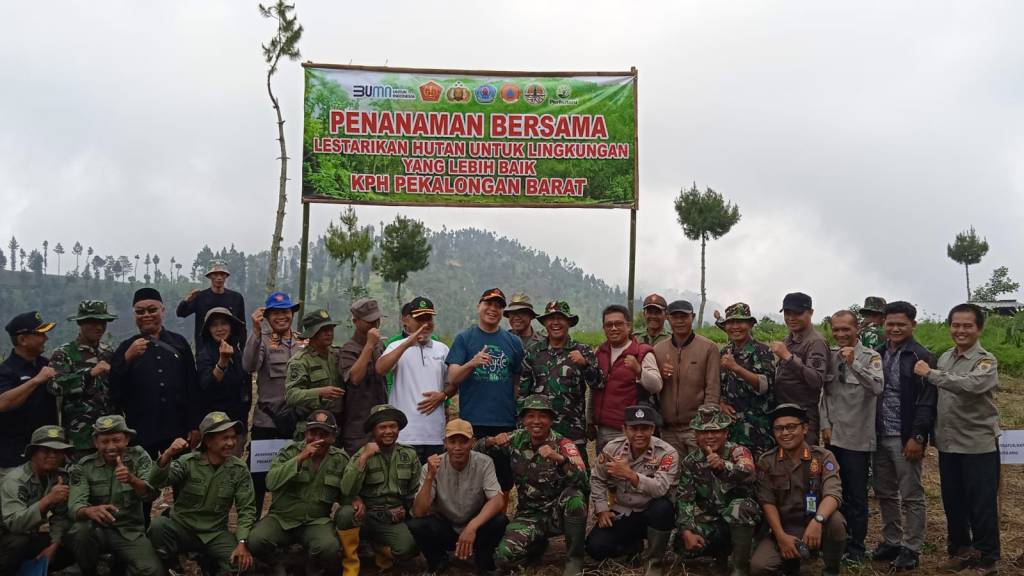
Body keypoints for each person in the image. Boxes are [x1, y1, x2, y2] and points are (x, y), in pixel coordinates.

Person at [916, 303, 1000, 575]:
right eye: (956, 325)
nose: (960, 330)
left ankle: (987, 559)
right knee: (954, 502)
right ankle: (961, 550)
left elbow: (972, 385)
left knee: (981, 504)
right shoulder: (945, 357)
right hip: (948, 444)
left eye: (967, 326)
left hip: (977, 445)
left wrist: (931, 374)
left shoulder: (986, 361)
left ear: (979, 329)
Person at [478, 395, 589, 576]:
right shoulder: (515, 439)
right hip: (529, 514)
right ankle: (536, 546)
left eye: (543, 416)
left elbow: (584, 482)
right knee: (503, 557)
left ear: (551, 420)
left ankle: (574, 558)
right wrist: (491, 441)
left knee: (575, 497)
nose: (536, 421)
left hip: (557, 512)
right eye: (530, 416)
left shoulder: (564, 444)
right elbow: (473, 450)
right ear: (523, 420)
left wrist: (560, 459)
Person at [870, 301, 936, 571]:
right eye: (890, 324)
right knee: (885, 492)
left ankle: (912, 547)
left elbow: (926, 401)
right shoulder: (878, 352)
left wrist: (917, 436)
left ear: (913, 325)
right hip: (879, 434)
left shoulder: (921, 356)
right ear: (883, 324)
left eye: (901, 324)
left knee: (911, 495)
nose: (895, 329)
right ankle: (892, 540)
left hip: (904, 435)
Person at [149, 411, 257, 575]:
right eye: (224, 438)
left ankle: (208, 563)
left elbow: (246, 509)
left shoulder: (239, 469)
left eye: (233, 437)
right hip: (183, 527)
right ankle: (171, 565)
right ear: (208, 441)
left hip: (214, 533)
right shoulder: (188, 462)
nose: (231, 443)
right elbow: (157, 482)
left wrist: (242, 542)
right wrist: (168, 454)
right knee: (159, 526)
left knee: (241, 565)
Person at [248, 410, 355, 575]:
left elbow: (345, 493)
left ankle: (311, 563)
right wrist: (300, 458)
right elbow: (271, 482)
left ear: (333, 438)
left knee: (328, 547)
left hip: (316, 522)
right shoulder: (290, 451)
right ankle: (277, 562)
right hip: (282, 519)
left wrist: (356, 499)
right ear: (305, 434)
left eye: (324, 434)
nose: (317, 439)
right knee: (256, 540)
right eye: (313, 433)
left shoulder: (340, 459)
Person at [818, 310, 883, 564]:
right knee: (835, 491)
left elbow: (877, 387)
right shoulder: (831, 356)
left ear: (857, 329)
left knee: (857, 496)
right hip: (833, 438)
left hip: (857, 439)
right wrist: (825, 424)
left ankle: (856, 548)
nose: (841, 334)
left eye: (846, 329)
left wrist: (854, 363)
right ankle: (837, 542)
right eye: (836, 329)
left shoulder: (871, 356)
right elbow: (824, 395)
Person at [445, 288, 525, 492]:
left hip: (504, 422)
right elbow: (453, 377)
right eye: (488, 304)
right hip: (473, 423)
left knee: (503, 482)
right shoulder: (465, 339)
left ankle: (499, 513)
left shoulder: (513, 342)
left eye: (498, 306)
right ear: (478, 306)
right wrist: (472, 363)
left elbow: (517, 379)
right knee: (472, 481)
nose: (493, 309)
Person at [751, 404, 845, 576]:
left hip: (816, 523)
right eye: (779, 428)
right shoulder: (767, 462)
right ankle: (790, 562)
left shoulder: (823, 457)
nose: (785, 433)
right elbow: (767, 502)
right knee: (760, 567)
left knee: (836, 522)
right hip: (783, 527)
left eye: (791, 427)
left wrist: (818, 521)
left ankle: (830, 570)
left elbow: (833, 494)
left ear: (805, 428)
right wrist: (781, 537)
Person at [408, 418, 508, 575]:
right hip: (446, 527)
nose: (458, 447)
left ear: (473, 443)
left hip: (474, 527)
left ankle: (483, 561)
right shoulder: (430, 466)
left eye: (464, 442)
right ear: (445, 443)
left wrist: (472, 527)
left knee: (500, 520)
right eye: (452, 442)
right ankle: (438, 561)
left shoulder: (484, 462)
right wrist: (430, 477)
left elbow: (497, 500)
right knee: (417, 525)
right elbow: (419, 512)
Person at [587, 405, 678, 576]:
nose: (639, 434)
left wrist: (629, 474)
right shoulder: (612, 449)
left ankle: (654, 562)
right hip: (624, 511)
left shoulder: (666, 453)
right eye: (634, 429)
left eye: (644, 428)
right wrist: (601, 509)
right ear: (624, 429)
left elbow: (660, 488)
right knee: (595, 548)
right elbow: (597, 479)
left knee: (663, 507)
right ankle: (631, 546)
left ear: (652, 429)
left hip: (651, 513)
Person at [68, 415, 162, 576]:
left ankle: (120, 564)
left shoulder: (139, 457)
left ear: (127, 439)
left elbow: (151, 494)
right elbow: (74, 507)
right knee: (80, 531)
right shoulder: (85, 466)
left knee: (153, 571)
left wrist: (132, 480)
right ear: (96, 443)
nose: (111, 447)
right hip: (97, 529)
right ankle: (89, 570)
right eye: (104, 441)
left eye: (116, 440)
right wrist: (89, 511)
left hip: (129, 532)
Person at [109, 288, 196, 457]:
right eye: (140, 312)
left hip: (177, 428)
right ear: (134, 315)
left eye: (152, 310)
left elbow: (191, 385)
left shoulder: (179, 343)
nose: (146, 315)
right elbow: (114, 390)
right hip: (140, 431)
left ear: (163, 311)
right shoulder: (126, 347)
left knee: (181, 471)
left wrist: (194, 425)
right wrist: (127, 358)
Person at [675, 406, 759, 576]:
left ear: (726, 433)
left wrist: (723, 466)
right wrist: (686, 531)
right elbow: (684, 499)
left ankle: (740, 568)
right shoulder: (690, 462)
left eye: (715, 431)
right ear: (696, 435)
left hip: (745, 519)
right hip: (713, 519)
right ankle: (720, 557)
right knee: (681, 543)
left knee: (739, 508)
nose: (709, 436)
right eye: (703, 432)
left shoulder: (738, 451)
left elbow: (748, 471)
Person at [520, 300, 603, 464]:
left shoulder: (583, 350)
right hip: (539, 430)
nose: (555, 322)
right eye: (551, 318)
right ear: (545, 323)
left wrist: (585, 365)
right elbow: (523, 392)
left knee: (576, 472)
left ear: (569, 322)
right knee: (541, 472)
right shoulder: (533, 352)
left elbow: (598, 384)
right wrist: (522, 425)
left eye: (561, 318)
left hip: (572, 430)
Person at [243, 290, 304, 511]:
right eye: (275, 313)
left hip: (296, 423)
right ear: (267, 317)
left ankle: (283, 523)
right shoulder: (263, 341)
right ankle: (251, 526)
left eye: (285, 311)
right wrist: (255, 331)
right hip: (267, 422)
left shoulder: (303, 341)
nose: (281, 316)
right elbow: (249, 365)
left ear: (292, 314)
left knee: (292, 477)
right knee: (258, 480)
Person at [338, 404, 421, 566]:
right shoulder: (362, 454)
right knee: (345, 514)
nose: (388, 431)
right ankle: (351, 561)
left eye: (393, 426)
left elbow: (414, 490)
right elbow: (346, 489)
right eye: (382, 427)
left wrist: (407, 513)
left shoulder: (409, 454)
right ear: (373, 430)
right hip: (365, 515)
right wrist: (364, 458)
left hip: (391, 518)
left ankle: (379, 548)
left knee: (407, 548)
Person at [376, 296, 449, 464]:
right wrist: (408, 343)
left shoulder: (442, 349)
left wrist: (443, 395)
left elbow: (451, 383)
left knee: (432, 478)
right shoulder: (396, 346)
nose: (425, 324)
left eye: (428, 319)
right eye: (420, 319)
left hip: (435, 435)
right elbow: (380, 369)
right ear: (407, 321)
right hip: (404, 434)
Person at [0, 425, 74, 573]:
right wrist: (48, 499)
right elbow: (14, 524)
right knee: (18, 542)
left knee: (71, 541)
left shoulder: (58, 477)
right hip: (6, 535)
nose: (53, 455)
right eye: (46, 451)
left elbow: (61, 516)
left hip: (29, 534)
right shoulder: (15, 479)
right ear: (33, 454)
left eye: (58, 451)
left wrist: (54, 546)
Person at [48, 300, 117, 458]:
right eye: (92, 322)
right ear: (80, 323)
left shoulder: (108, 352)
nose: (98, 327)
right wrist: (89, 374)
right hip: (80, 438)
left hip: (109, 436)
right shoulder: (64, 353)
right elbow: (55, 386)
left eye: (102, 322)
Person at [653, 299, 721, 455]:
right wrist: (661, 375)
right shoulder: (658, 349)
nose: (679, 321)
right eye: (675, 317)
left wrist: (706, 428)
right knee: (672, 469)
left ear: (693, 317)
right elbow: (652, 387)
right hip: (668, 431)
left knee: (700, 468)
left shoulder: (708, 348)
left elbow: (712, 389)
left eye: (684, 316)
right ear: (668, 318)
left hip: (696, 429)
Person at [591, 304, 662, 453]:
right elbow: (594, 389)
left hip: (630, 431)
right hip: (603, 429)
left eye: (618, 324)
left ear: (628, 326)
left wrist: (639, 370)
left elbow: (656, 386)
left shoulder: (641, 352)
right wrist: (589, 421)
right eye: (609, 325)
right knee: (604, 467)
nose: (613, 328)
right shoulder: (599, 352)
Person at [0, 311, 58, 480]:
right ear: (22, 340)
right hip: (14, 458)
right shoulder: (6, 371)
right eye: (40, 334)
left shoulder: (46, 364)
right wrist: (36, 380)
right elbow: (3, 403)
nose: (45, 338)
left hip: (47, 454)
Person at [715, 303, 776, 457]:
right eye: (731, 322)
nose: (735, 327)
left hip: (758, 432)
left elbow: (765, 386)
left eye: (740, 322)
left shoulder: (762, 351)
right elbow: (719, 385)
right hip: (731, 430)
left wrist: (736, 367)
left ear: (750, 325)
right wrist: (721, 403)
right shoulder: (724, 352)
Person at [771, 292, 831, 445]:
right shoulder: (789, 339)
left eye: (797, 313)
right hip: (783, 413)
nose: (791, 318)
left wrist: (787, 357)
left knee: (805, 457)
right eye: (787, 313)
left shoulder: (815, 342)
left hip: (803, 417)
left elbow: (816, 380)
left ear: (810, 313)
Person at [284, 309, 344, 439]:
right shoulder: (300, 361)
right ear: (312, 333)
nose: (329, 333)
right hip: (312, 429)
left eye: (331, 329)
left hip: (335, 427)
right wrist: (320, 393)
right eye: (323, 330)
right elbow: (291, 395)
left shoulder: (337, 355)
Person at [339, 298, 387, 454]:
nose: (374, 325)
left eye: (377, 320)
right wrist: (369, 345)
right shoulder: (349, 349)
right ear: (356, 321)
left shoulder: (380, 345)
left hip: (381, 424)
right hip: (358, 429)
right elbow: (355, 378)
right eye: (369, 322)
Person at [195, 307, 251, 441]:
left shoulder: (238, 352)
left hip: (238, 423)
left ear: (231, 327)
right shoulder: (205, 354)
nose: (219, 329)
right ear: (208, 330)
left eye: (224, 323)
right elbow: (207, 385)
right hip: (216, 427)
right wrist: (222, 362)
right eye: (214, 325)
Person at [176, 259, 246, 344]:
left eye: (222, 274)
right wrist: (186, 301)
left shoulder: (236, 298)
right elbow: (181, 313)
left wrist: (243, 349)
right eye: (215, 274)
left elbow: (242, 326)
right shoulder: (200, 297)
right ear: (209, 276)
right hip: (205, 348)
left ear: (226, 276)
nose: (219, 278)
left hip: (229, 347)